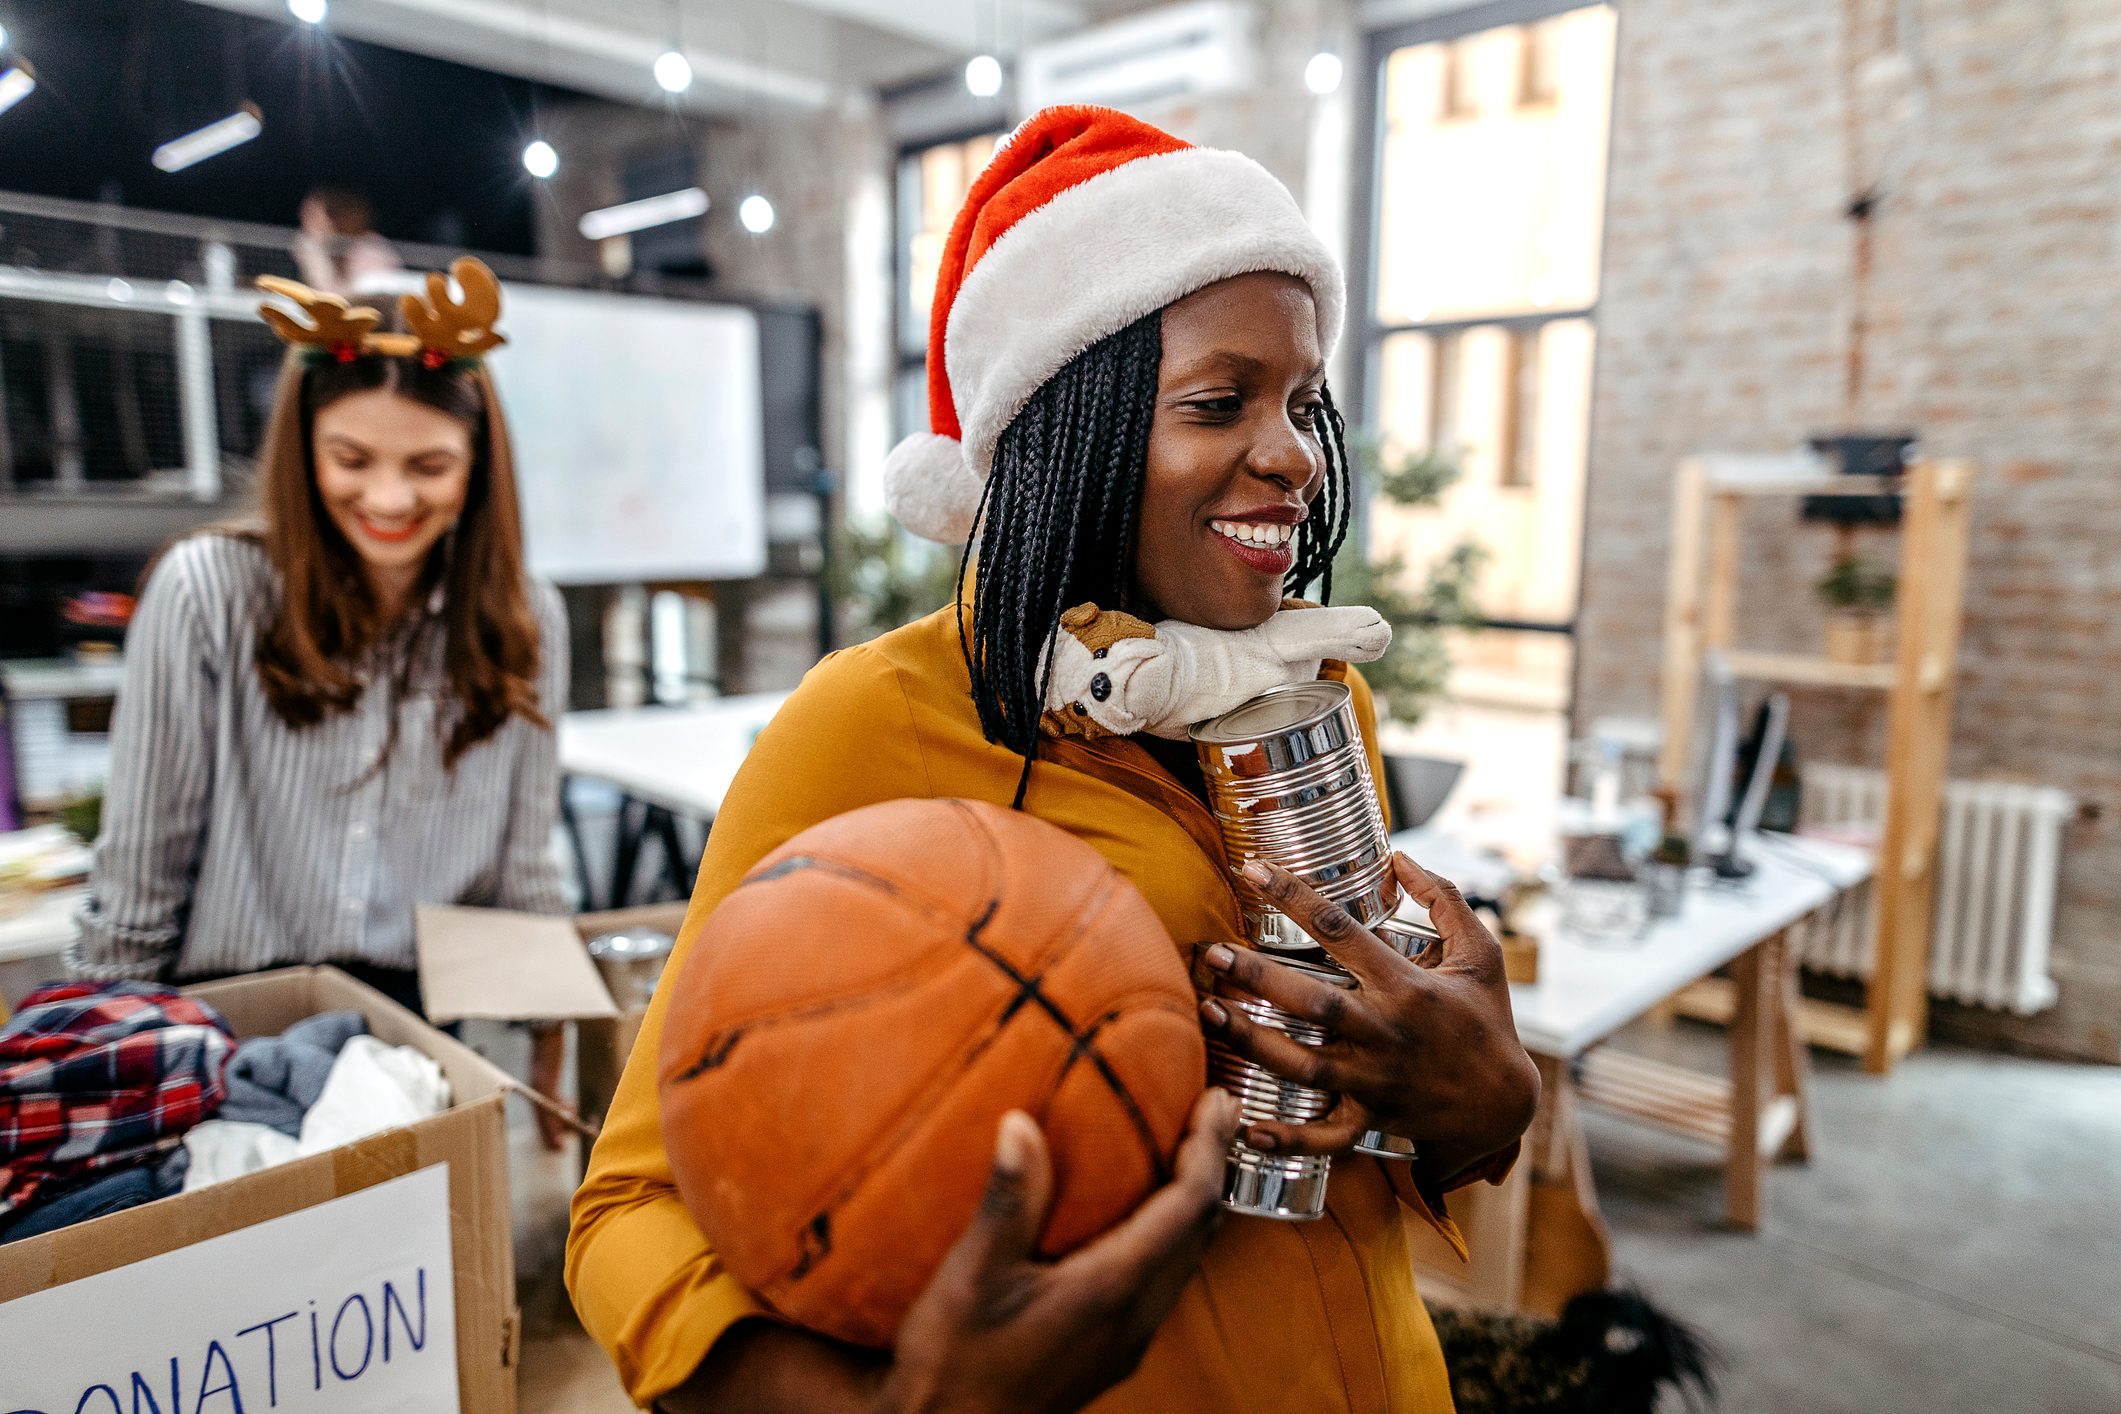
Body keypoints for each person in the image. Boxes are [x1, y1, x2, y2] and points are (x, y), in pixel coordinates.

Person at [567, 107, 1540, 1412]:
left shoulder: (1317, 696)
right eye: (1219, 401)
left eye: (1303, 402)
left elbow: (1355, 1111)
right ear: (1058, 433)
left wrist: (1476, 1104)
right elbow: (628, 1208)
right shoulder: (880, 721)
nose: (1294, 454)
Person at [68, 259, 574, 1144]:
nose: (388, 498)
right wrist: (102, 1056)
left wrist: (549, 1021)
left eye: (429, 465)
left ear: (479, 466)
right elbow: (140, 876)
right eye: (351, 459)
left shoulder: (525, 618)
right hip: (222, 1027)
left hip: (413, 1038)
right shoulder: (207, 592)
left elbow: (522, 865)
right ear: (304, 453)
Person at [292, 187, 404, 299]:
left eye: (336, 212)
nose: (329, 221)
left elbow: (334, 300)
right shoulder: (308, 245)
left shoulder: (374, 248)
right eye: (330, 212)